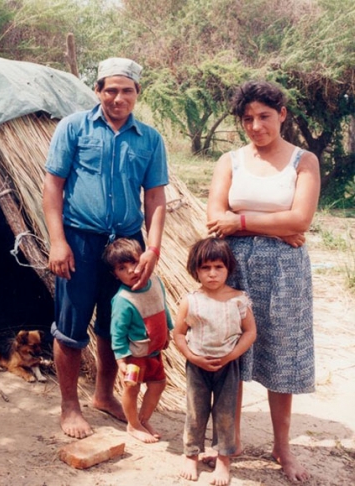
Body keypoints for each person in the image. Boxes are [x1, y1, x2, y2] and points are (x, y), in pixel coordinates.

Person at [43, 57, 168, 438]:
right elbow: (53, 187)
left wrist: (154, 248)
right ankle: (69, 407)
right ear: (97, 90)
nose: (117, 97)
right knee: (71, 325)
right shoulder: (74, 128)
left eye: (126, 90)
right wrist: (58, 241)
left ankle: (104, 395)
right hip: (80, 239)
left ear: (136, 94)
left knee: (117, 321)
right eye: (110, 89)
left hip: (128, 244)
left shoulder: (149, 140)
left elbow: (156, 197)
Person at [206, 80, 320, 482]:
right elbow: (214, 217)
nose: (256, 126)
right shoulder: (230, 161)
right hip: (234, 268)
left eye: (265, 117)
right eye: (248, 118)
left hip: (286, 272)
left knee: (281, 358)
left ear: (282, 115)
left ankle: (282, 448)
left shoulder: (303, 161)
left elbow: (300, 220)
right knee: (231, 356)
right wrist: (273, 226)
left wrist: (241, 220)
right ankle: (226, 450)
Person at [173, 238, 257, 486]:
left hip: (227, 366)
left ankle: (223, 459)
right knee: (196, 412)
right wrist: (192, 356)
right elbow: (178, 333)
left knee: (225, 414)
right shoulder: (191, 300)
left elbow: (250, 332)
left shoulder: (239, 300)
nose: (212, 274)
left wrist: (231, 356)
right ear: (195, 270)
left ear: (228, 268)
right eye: (205, 268)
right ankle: (191, 454)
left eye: (218, 267)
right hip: (197, 366)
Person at [103, 238, 173, 444]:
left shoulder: (156, 283)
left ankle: (143, 419)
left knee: (158, 384)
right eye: (122, 268)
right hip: (135, 357)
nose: (132, 271)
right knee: (132, 388)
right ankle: (133, 425)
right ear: (114, 274)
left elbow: (163, 308)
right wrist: (121, 360)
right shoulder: (123, 300)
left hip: (154, 353)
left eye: (134, 263)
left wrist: (167, 331)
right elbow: (117, 332)